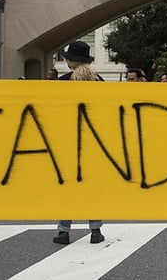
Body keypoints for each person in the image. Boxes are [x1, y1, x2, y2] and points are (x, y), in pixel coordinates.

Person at [52, 40, 105, 245]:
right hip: (93, 142)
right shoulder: (99, 81)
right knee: (92, 187)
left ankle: (64, 231)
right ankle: (95, 230)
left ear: (69, 61)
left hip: (68, 141)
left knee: (68, 187)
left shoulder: (63, 82)